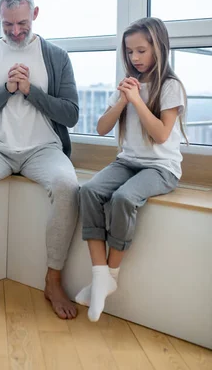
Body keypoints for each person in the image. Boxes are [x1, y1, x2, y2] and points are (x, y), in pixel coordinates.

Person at [0, 0, 79, 319]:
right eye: (8, 24)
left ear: (35, 15)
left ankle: (53, 281)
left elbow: (70, 114)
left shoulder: (56, 57)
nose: (15, 31)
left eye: (22, 23)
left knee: (69, 187)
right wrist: (6, 91)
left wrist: (30, 90)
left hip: (44, 148)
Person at [76, 17, 187, 322]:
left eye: (141, 51)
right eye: (129, 52)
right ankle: (100, 277)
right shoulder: (128, 85)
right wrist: (122, 100)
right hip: (128, 162)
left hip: (161, 168)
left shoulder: (170, 86)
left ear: (158, 48)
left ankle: (111, 274)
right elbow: (101, 128)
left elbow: (162, 134)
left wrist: (137, 101)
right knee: (88, 191)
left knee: (123, 199)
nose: (134, 58)